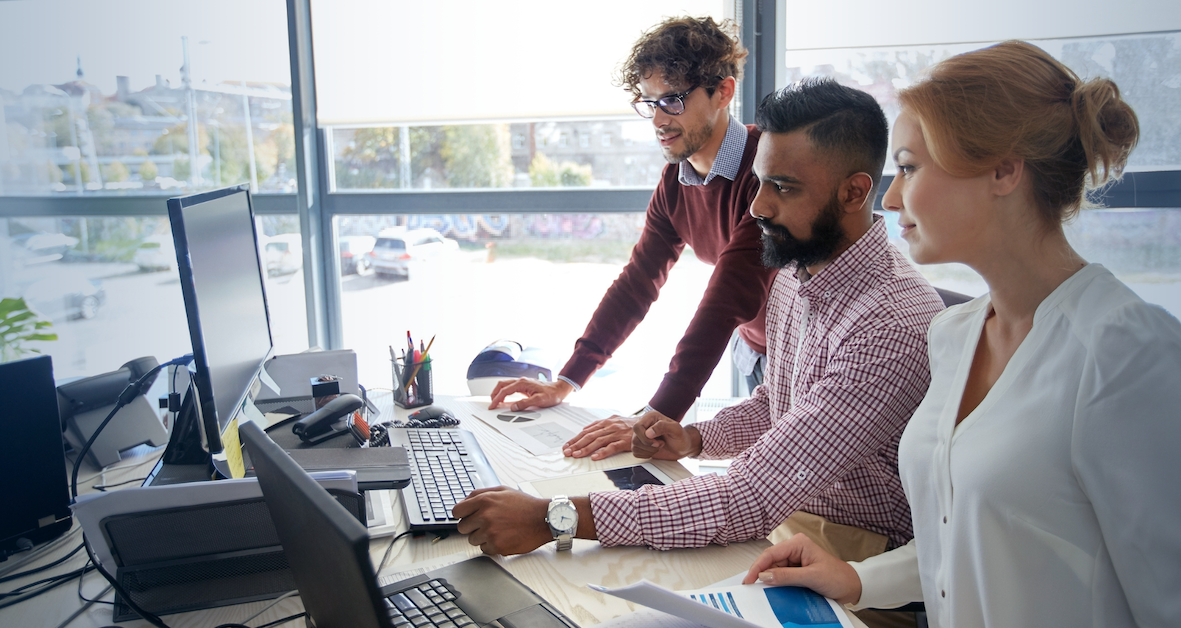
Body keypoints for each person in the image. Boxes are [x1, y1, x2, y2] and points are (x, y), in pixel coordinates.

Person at [741, 41, 1181, 628]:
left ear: (1003, 169)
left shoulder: (1125, 350)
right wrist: (860, 578)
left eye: (909, 167)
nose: (891, 197)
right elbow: (967, 535)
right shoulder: (955, 334)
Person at [454, 78, 943, 565]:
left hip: (857, 552)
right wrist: (695, 438)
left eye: (783, 188)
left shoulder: (893, 326)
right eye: (759, 182)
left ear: (855, 192)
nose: (758, 206)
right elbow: (778, 404)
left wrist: (552, 518)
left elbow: (751, 497)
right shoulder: (798, 273)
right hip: (788, 518)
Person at [487, 17, 777, 456]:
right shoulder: (675, 182)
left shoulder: (766, 170)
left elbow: (728, 297)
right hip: (754, 349)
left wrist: (655, 417)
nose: (659, 119)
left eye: (673, 100)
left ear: (724, 92)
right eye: (650, 102)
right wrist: (569, 379)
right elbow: (637, 283)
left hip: (804, 349)